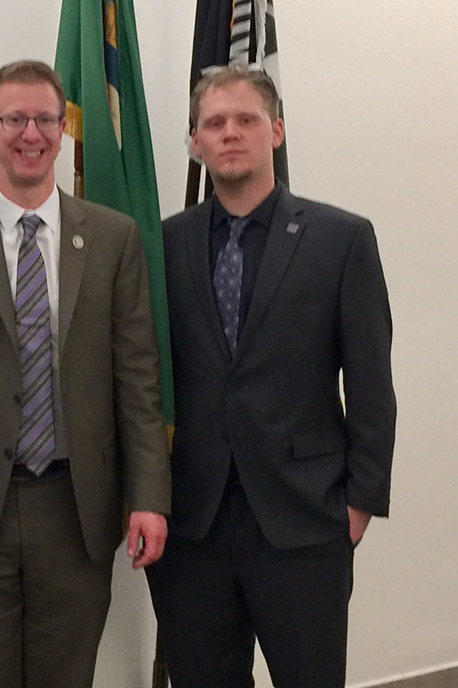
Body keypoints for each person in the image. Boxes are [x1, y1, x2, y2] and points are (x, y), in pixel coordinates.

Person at [0, 59, 171, 688]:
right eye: (14, 119)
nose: (31, 133)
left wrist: (151, 497)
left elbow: (138, 379)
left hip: (76, 508)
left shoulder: (113, 238)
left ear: (62, 129)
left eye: (45, 119)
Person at [146, 65, 396, 688]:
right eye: (213, 123)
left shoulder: (341, 239)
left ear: (276, 131)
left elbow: (370, 381)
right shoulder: (160, 246)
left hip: (305, 519)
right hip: (191, 525)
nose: (230, 133)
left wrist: (361, 501)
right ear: (196, 141)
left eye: (246, 119)